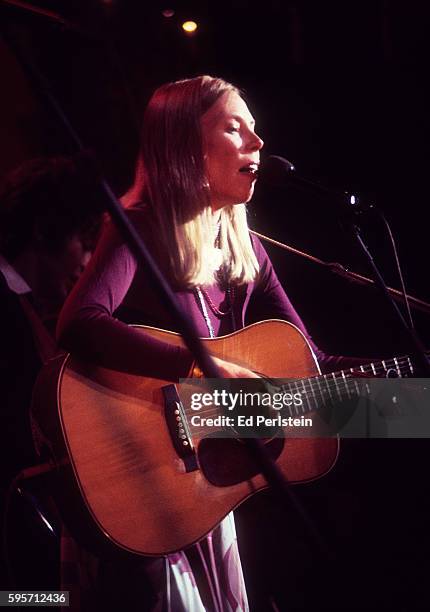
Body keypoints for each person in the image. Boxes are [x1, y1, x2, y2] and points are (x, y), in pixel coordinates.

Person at [56, 75, 362, 611]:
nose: (258, 143)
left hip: (203, 489)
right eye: (234, 128)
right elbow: (79, 322)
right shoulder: (140, 225)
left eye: (256, 130)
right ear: (184, 146)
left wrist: (415, 398)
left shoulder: (247, 250)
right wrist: (200, 368)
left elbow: (311, 370)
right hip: (138, 482)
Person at [0, 155, 103, 590]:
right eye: (84, 242)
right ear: (45, 232)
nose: (89, 261)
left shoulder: (18, 305)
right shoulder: (5, 308)